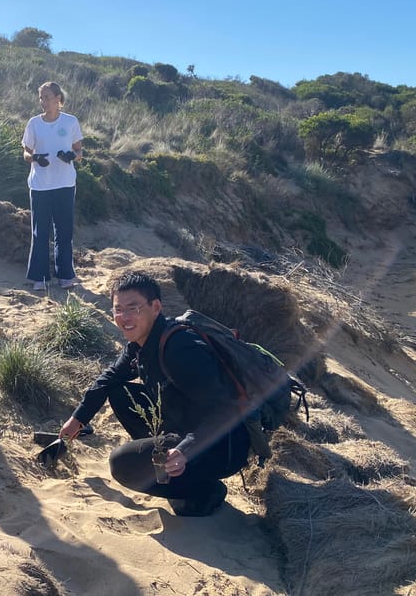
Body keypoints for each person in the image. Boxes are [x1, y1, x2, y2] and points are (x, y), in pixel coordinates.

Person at [59, 269, 251, 517]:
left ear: (156, 307)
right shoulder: (142, 343)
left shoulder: (180, 348)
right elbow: (108, 379)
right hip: (184, 422)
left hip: (222, 444)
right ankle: (172, 471)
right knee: (118, 391)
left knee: (122, 464)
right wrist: (78, 419)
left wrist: (185, 451)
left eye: (133, 308)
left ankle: (205, 491)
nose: (124, 317)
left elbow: (224, 410)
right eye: (118, 309)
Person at [21, 81, 84, 291]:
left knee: (64, 232)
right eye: (41, 97)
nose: (43, 101)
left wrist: (71, 156)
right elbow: (26, 152)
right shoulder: (34, 123)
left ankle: (65, 275)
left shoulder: (70, 121)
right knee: (40, 232)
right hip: (40, 185)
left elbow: (79, 151)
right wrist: (35, 158)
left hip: (65, 184)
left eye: (47, 97)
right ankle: (39, 277)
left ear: (58, 99)